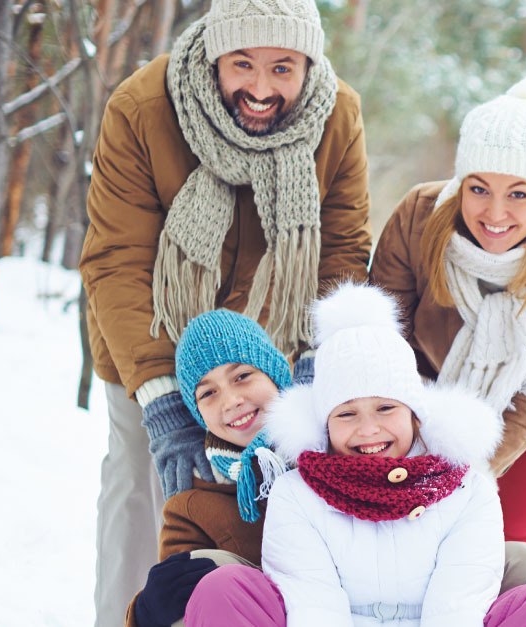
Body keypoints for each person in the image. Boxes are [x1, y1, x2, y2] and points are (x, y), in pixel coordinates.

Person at [78, 0, 373, 622]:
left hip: (272, 350)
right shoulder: (142, 108)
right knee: (144, 482)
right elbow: (116, 259)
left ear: (309, 63)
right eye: (243, 64)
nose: (261, 89)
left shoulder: (337, 115)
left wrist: (319, 363)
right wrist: (162, 398)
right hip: (151, 340)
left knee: (274, 500)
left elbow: (343, 246)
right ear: (216, 54)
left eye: (283, 68)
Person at [369, 76, 526, 624]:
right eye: (478, 188)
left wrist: (470, 470)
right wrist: (410, 441)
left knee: (505, 533)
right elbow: (386, 342)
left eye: (519, 194)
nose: (495, 213)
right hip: (428, 388)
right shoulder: (417, 218)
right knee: (409, 528)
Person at [184, 283, 526, 625]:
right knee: (224, 588)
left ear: (415, 414)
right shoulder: (295, 493)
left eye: (386, 408)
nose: (368, 429)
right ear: (324, 422)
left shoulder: (467, 490)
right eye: (347, 414)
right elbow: (312, 602)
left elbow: (458, 604)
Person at [125, 309, 293, 627]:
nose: (231, 401)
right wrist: (148, 612)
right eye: (209, 393)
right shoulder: (193, 506)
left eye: (242, 376)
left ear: (274, 372)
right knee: (207, 575)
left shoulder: (331, 444)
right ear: (198, 413)